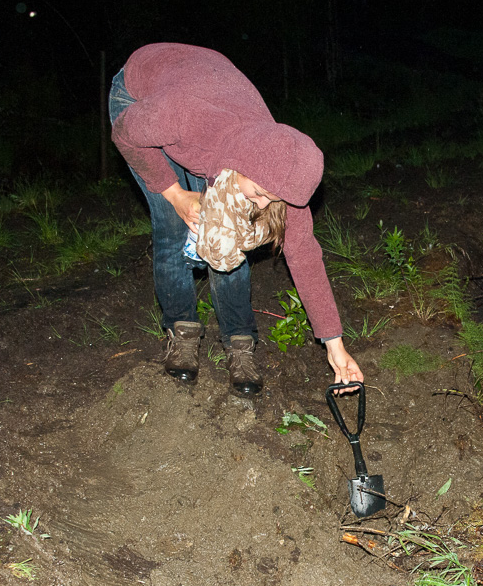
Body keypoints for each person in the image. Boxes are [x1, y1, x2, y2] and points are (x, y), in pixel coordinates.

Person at [109, 42, 363, 396]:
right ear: (243, 165)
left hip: (214, 95)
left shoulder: (280, 170)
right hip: (143, 94)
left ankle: (239, 343)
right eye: (257, 191)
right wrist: (176, 195)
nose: (260, 202)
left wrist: (336, 347)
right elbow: (124, 133)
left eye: (270, 199)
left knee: (233, 230)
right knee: (173, 225)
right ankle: (182, 332)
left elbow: (305, 257)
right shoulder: (186, 119)